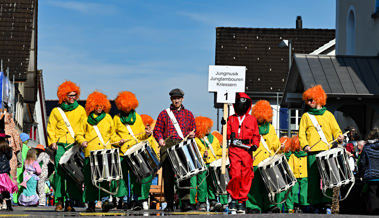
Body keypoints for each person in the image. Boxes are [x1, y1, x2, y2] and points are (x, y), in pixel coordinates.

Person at [298, 85, 344, 214]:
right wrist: (305, 145)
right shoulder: (306, 116)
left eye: (311, 100)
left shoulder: (328, 115)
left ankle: (327, 202)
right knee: (313, 180)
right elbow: (301, 134)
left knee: (328, 179)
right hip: (312, 152)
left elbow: (336, 130)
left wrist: (339, 137)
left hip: (327, 152)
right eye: (307, 100)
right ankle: (314, 203)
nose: (309, 102)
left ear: (318, 99)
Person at [153, 88, 196, 212]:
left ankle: (185, 202)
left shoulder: (189, 114)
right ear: (171, 99)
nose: (176, 100)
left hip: (182, 146)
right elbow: (157, 130)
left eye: (178, 98)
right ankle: (170, 204)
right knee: (168, 177)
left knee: (185, 176)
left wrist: (192, 134)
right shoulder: (164, 114)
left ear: (182, 99)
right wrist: (160, 139)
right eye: (174, 98)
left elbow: (193, 129)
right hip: (168, 146)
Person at [47, 81, 87, 211]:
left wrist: (81, 142)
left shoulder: (81, 110)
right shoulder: (55, 111)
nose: (73, 98)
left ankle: (70, 201)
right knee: (59, 173)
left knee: (73, 173)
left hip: (74, 146)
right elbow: (51, 128)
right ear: (64, 96)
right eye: (70, 95)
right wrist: (52, 141)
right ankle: (59, 200)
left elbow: (84, 128)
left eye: (75, 95)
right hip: (60, 146)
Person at [111, 91, 151, 211]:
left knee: (136, 178)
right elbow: (112, 135)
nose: (127, 109)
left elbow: (141, 135)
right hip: (122, 153)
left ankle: (136, 200)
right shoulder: (116, 118)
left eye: (129, 106)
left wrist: (147, 134)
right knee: (121, 178)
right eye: (125, 106)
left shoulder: (137, 117)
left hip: (135, 153)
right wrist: (119, 140)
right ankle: (122, 200)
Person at [76, 91, 115, 212]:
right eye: (97, 106)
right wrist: (82, 141)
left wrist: (119, 141)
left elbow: (112, 135)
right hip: (90, 152)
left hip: (105, 152)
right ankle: (91, 203)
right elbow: (78, 133)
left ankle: (104, 202)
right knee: (90, 180)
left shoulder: (108, 118)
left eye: (101, 106)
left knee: (104, 178)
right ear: (92, 106)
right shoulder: (85, 119)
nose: (99, 108)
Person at [226, 92, 260, 214]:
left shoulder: (252, 120)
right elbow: (227, 135)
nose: (241, 106)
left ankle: (242, 201)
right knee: (235, 175)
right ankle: (234, 198)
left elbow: (256, 135)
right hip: (234, 150)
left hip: (247, 151)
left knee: (246, 176)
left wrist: (255, 145)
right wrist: (225, 126)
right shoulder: (231, 118)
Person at [246, 100, 282, 214]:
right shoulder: (251, 128)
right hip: (256, 162)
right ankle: (254, 206)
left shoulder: (270, 128)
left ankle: (268, 205)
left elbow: (275, 144)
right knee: (255, 187)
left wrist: (281, 147)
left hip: (267, 162)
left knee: (269, 186)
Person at [191, 116, 219, 211]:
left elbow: (218, 150)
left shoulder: (214, 138)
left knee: (212, 183)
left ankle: (213, 201)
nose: (209, 129)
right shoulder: (196, 140)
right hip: (202, 165)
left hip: (212, 164)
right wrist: (202, 155)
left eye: (210, 127)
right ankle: (202, 202)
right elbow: (194, 153)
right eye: (207, 127)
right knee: (202, 184)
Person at [140, 114, 159, 210]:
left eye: (149, 126)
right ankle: (143, 199)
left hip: (154, 165)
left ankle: (151, 198)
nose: (148, 128)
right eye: (145, 127)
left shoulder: (153, 137)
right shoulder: (141, 137)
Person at [357, 128, 379, 215]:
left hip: (371, 177)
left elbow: (362, 162)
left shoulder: (367, 148)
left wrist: (361, 173)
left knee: (372, 195)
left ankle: (374, 213)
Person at [285, 135, 309, 213]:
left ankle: (303, 207)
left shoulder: (307, 155)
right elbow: (290, 167)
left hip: (305, 176)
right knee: (294, 192)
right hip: (295, 177)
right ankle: (294, 207)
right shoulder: (293, 156)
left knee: (304, 193)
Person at [2, 102, 22, 183]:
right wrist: (19, 160)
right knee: (11, 180)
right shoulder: (12, 127)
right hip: (10, 155)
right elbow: (17, 142)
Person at [211, 130, 229, 211]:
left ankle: (217, 202)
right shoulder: (223, 149)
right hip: (220, 167)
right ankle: (223, 202)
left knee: (216, 185)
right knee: (222, 185)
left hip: (218, 166)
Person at [0, 135, 18, 211]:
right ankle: (9, 205)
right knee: (5, 189)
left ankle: (1, 203)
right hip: (5, 171)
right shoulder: (6, 148)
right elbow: (9, 157)